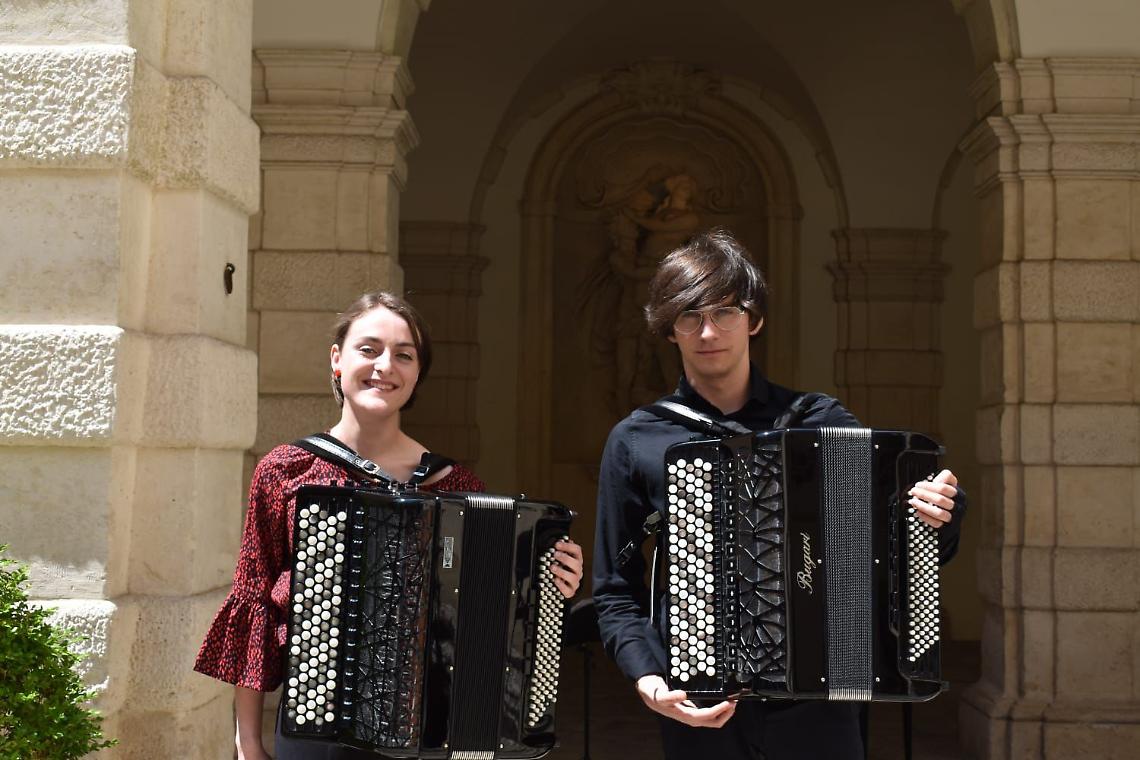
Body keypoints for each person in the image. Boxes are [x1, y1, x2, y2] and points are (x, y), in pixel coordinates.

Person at [592, 229, 966, 759]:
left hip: (820, 703)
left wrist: (939, 513)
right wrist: (649, 680)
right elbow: (615, 588)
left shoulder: (821, 423)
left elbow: (896, 548)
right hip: (700, 704)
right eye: (688, 316)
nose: (707, 332)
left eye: (724, 311)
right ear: (669, 331)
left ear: (755, 318)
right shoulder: (638, 439)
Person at [194, 291, 585, 760]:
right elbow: (253, 600)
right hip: (319, 730)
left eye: (404, 355)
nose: (385, 365)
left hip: (430, 732)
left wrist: (550, 580)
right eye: (369, 349)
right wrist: (248, 741)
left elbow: (500, 610)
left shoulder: (455, 485)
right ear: (337, 359)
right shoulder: (287, 470)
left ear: (418, 374)